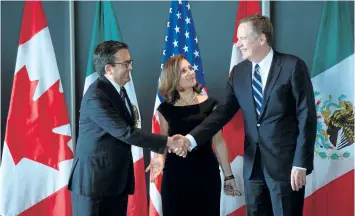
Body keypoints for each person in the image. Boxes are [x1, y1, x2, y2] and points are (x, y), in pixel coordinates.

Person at [177, 14, 317, 216]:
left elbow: (307, 117)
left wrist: (301, 163)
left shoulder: (292, 66)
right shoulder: (239, 72)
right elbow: (222, 113)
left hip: (286, 166)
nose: (238, 44)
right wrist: (190, 139)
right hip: (253, 168)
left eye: (242, 38)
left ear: (261, 39)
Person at [67, 41, 188, 216]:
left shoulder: (119, 92)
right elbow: (125, 132)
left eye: (130, 62)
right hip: (93, 185)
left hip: (115, 182)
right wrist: (168, 141)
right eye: (125, 63)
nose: (130, 67)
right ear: (109, 69)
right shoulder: (96, 96)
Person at [146, 54, 239, 216]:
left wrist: (228, 176)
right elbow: (164, 141)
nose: (190, 72)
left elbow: (219, 142)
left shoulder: (211, 105)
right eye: (183, 71)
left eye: (190, 68)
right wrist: (160, 159)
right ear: (173, 78)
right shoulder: (165, 109)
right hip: (175, 177)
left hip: (206, 175)